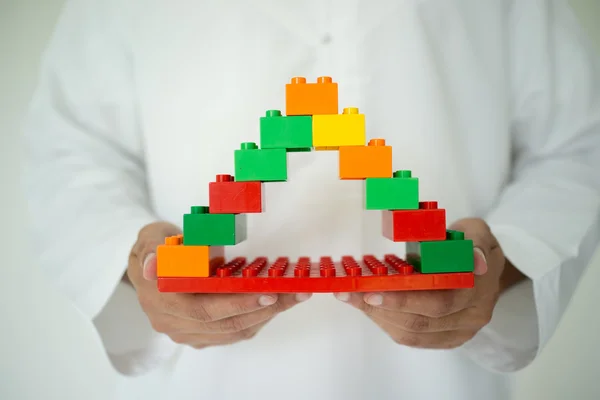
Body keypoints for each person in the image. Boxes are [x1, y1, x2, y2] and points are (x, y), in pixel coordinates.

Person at [22, 0, 600, 399]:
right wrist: (136, 260)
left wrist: (502, 265)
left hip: (437, 379)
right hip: (201, 381)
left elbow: (577, 145)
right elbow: (73, 147)